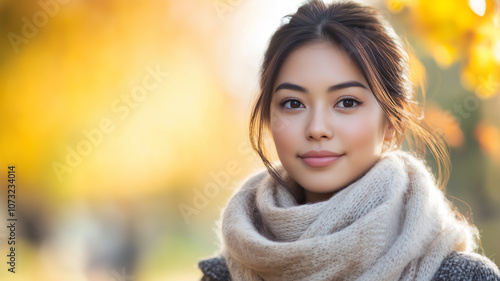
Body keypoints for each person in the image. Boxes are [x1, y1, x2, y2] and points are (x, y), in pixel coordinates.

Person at [198, 0, 500, 280]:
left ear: (392, 121)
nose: (317, 129)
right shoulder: (223, 275)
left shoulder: (462, 276)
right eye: (293, 103)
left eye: (346, 102)